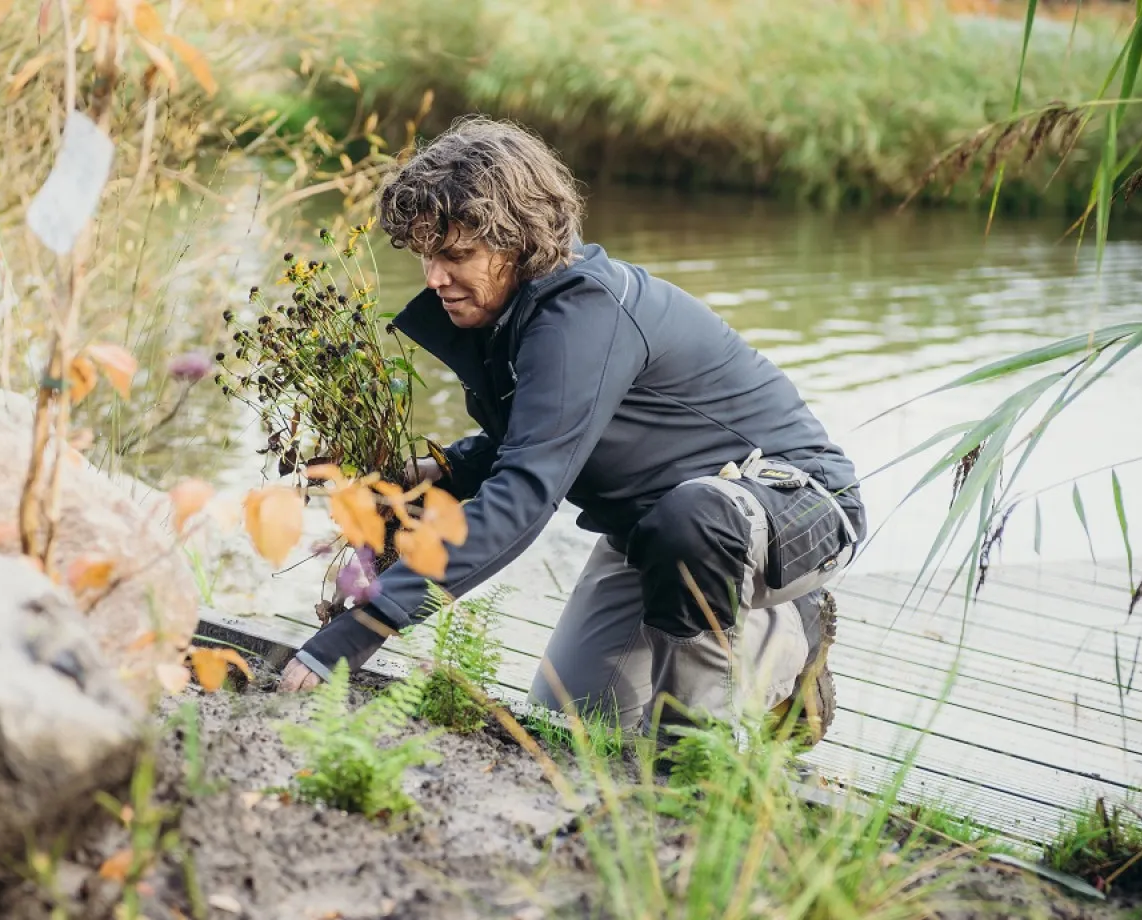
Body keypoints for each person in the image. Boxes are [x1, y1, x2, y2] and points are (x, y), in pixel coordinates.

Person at [276, 117, 866, 745]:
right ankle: (741, 639)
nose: (434, 278)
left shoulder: (582, 314)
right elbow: (539, 435)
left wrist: (354, 634)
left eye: (455, 256)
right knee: (573, 718)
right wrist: (443, 472)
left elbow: (525, 496)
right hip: (657, 534)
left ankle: (760, 669)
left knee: (694, 555)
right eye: (427, 255)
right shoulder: (517, 313)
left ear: (516, 242)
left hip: (791, 514)